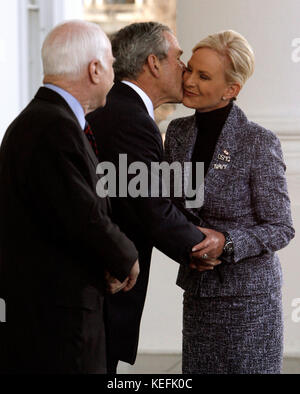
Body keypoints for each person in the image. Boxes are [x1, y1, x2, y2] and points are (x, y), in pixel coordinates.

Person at [0, 20, 140, 374]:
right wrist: (126, 257)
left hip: (50, 309)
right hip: (58, 317)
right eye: (110, 64)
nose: (113, 73)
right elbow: (82, 214)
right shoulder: (53, 125)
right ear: (94, 69)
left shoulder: (43, 119)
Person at [87, 22, 221, 373]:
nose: (185, 69)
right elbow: (151, 206)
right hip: (106, 282)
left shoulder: (122, 109)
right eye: (179, 58)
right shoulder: (128, 117)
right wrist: (202, 245)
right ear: (153, 63)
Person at [164, 30, 295, 374]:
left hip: (249, 303)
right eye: (189, 69)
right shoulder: (177, 133)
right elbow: (169, 207)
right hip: (198, 294)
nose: (189, 80)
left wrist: (226, 242)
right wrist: (184, 245)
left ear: (231, 90)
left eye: (203, 76)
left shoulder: (258, 142)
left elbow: (281, 227)